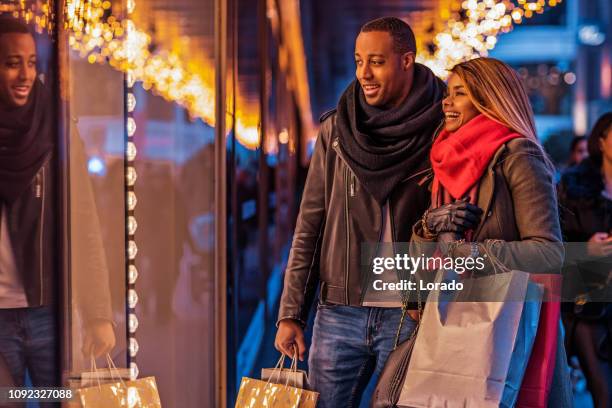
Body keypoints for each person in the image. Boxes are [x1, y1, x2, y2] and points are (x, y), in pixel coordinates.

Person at [274, 16, 445, 407]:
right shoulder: (337, 131)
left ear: (406, 60)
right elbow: (310, 225)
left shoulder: (441, 128)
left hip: (411, 313)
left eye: (376, 61)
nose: (363, 73)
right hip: (340, 311)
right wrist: (291, 313)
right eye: (358, 61)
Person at [411, 57, 572, 406]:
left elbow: (549, 252)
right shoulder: (444, 159)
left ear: (489, 99)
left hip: (507, 329)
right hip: (449, 319)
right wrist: (427, 228)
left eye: (459, 94)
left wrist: (475, 255)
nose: (446, 102)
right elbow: (426, 259)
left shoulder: (517, 155)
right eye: (447, 94)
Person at [0, 16, 115, 389]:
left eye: (31, 63)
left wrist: (99, 313)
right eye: (12, 63)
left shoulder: (56, 126)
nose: (25, 75)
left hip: (51, 313)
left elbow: (83, 222)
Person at [558, 111, 612, 407]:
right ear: (601, 142)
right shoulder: (574, 187)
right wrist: (586, 248)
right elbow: (552, 245)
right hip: (590, 304)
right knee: (604, 393)